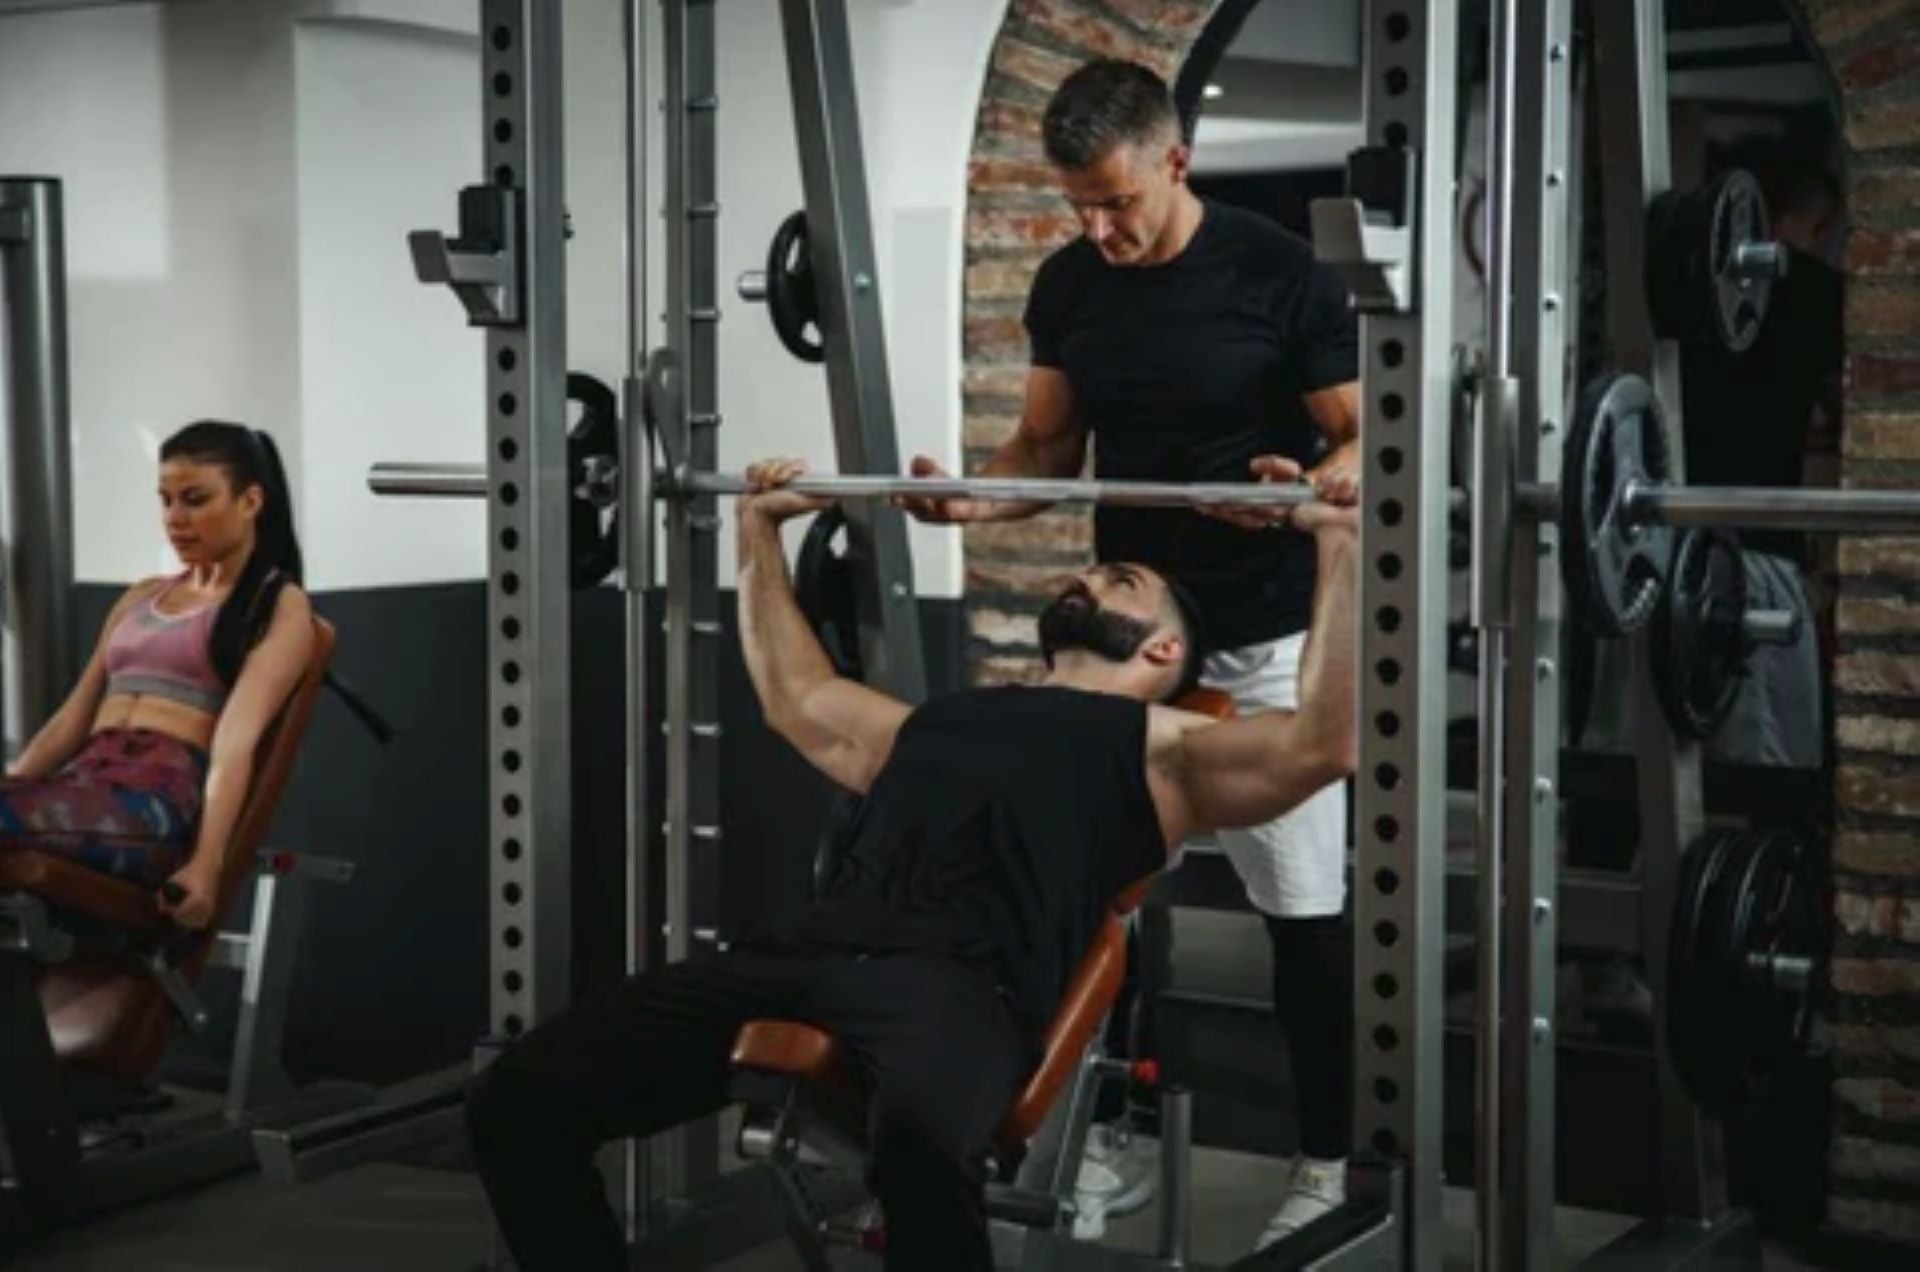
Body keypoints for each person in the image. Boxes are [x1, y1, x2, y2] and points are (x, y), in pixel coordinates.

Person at [465, 458, 1360, 1272]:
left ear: (1164, 651)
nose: (1087, 576)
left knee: (922, 1151)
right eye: (1091, 569)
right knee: (518, 1101)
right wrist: (757, 529)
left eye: (1120, 581)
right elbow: (797, 696)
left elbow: (1324, 745)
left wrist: (1339, 542)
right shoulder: (940, 719)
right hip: (801, 954)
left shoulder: (1168, 745)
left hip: (954, 985)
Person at [896, 58, 1361, 1245]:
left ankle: (1329, 1163)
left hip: (1264, 634)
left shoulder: (1280, 273)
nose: (1098, 229)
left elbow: (1367, 446)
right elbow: (1043, 450)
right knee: (1095, 898)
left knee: (1302, 909)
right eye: (1078, 209)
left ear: (1175, 162)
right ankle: (1103, 1136)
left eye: (1118, 203)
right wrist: (966, 507)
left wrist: (1306, 487)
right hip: (1126, 651)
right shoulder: (1070, 283)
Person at [1, 421, 313, 931]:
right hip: (78, 786)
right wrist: (14, 785)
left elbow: (236, 745)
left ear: (250, 501)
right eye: (165, 500)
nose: (175, 518)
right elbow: (69, 723)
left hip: (152, 805)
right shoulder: (140, 596)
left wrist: (207, 867)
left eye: (194, 499)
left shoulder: (276, 605)